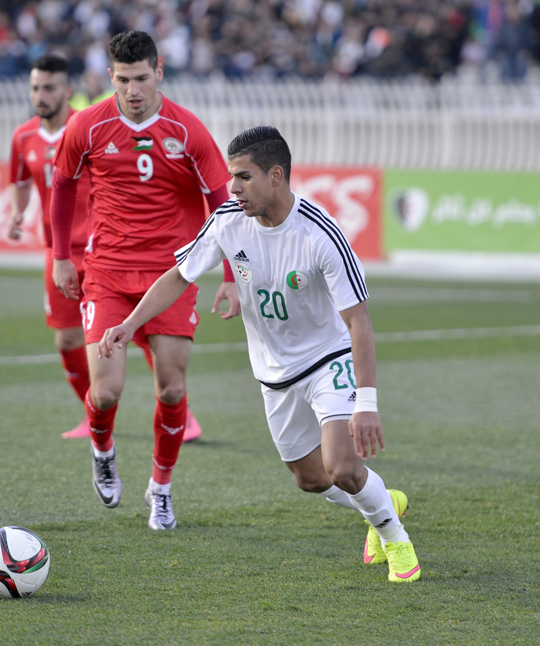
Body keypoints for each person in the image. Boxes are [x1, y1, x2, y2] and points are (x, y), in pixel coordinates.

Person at [99, 126, 421, 582]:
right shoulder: (228, 220)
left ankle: (396, 541)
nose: (232, 187)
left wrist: (366, 403)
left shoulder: (321, 234)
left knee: (342, 465)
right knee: (311, 479)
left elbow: (358, 323)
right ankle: (384, 501)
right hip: (274, 373)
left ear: (276, 175)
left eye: (243, 177)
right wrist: (130, 324)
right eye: (231, 177)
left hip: (329, 360)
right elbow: (179, 275)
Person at [50, 31, 239, 530]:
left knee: (172, 390)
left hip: (174, 274)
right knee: (107, 391)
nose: (132, 90)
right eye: (122, 79)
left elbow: (222, 205)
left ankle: (161, 489)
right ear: (109, 77)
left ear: (159, 72)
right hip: (107, 272)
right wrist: (61, 258)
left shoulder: (188, 130)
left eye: (140, 78)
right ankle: (103, 449)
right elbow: (63, 187)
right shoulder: (86, 127)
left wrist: (231, 275)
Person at [7, 54, 207, 441]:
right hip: (61, 249)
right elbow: (23, 182)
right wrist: (19, 214)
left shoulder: (92, 125)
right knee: (67, 338)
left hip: (109, 249)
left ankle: (181, 410)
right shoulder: (23, 137)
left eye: (48, 87)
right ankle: (90, 410)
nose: (40, 95)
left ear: (68, 91)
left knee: (148, 329)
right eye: (35, 87)